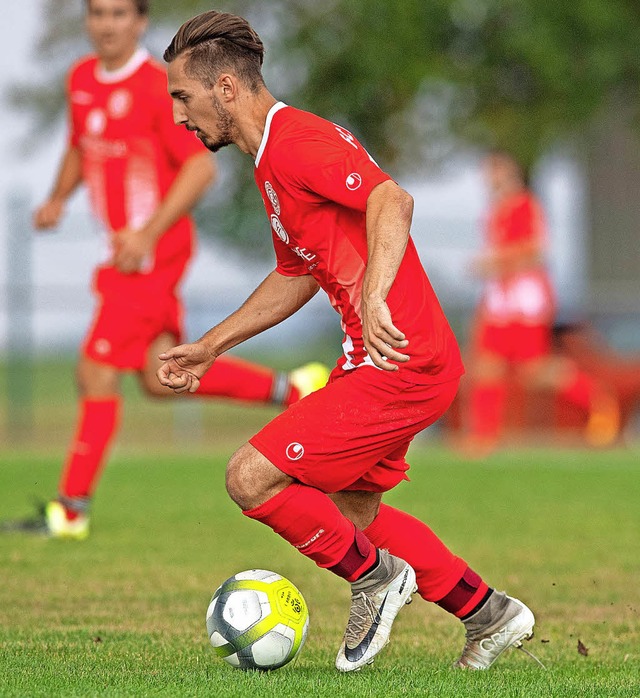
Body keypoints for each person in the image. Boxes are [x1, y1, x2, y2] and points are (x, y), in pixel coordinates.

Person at [157, 10, 541, 673]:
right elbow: (294, 273)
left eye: (182, 97)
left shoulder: (297, 142)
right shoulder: (271, 163)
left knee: (250, 476)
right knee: (350, 513)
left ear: (225, 88)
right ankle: (488, 613)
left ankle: (377, 581)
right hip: (394, 358)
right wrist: (211, 345)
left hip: (398, 358)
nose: (180, 116)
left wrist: (374, 294)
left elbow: (392, 200)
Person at [15, 0, 327, 541]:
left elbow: (200, 168)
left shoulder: (159, 87)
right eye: (96, 13)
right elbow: (78, 145)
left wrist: (147, 235)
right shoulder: (82, 79)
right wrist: (58, 198)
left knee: (95, 371)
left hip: (151, 257)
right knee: (161, 378)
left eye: (118, 14)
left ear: (139, 22)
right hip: (124, 256)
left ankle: (71, 509)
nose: (105, 24)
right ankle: (295, 387)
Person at [461, 150, 617, 455]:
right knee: (488, 366)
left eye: (493, 172)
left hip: (525, 303)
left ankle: (597, 400)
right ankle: (482, 438)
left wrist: (494, 262)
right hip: (501, 301)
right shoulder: (497, 211)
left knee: (535, 370)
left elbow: (535, 251)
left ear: (508, 173)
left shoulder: (525, 206)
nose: (488, 179)